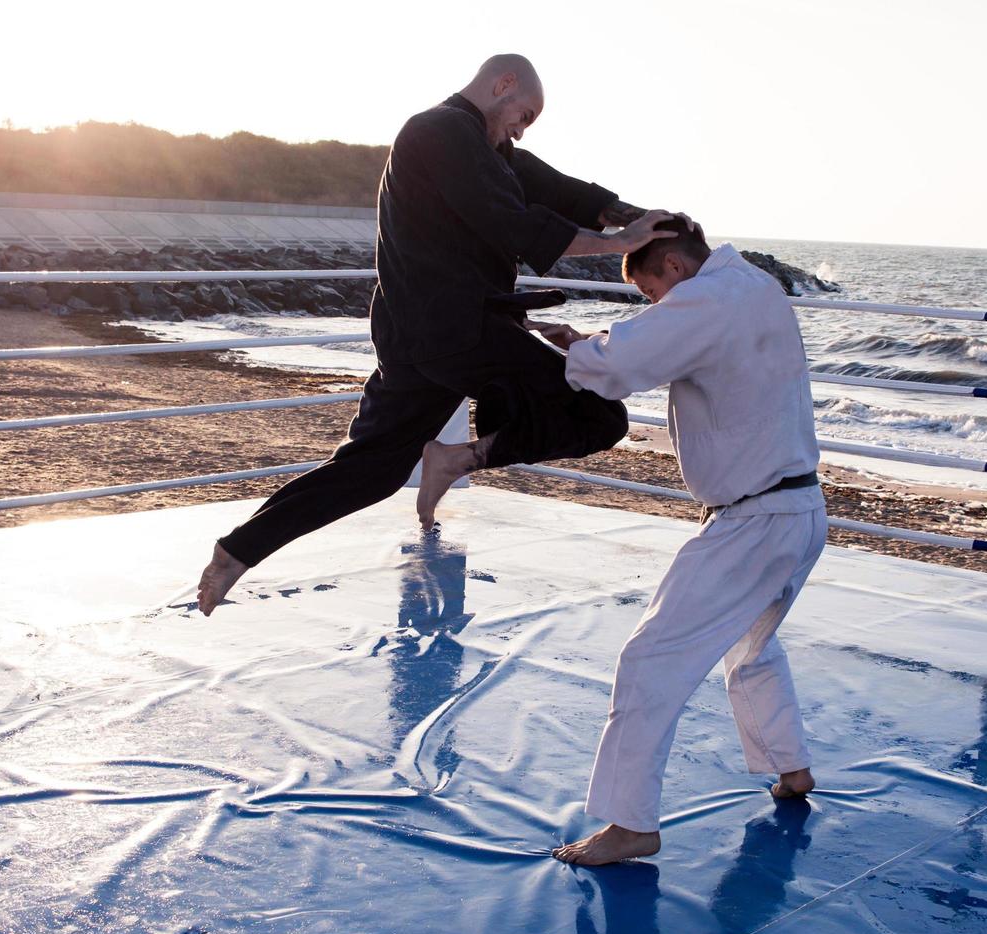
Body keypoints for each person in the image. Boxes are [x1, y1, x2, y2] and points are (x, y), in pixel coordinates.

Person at [195, 54, 683, 615]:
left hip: (420, 337)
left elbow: (559, 189)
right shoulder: (440, 132)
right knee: (600, 415)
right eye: (524, 114)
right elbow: (512, 223)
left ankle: (237, 551)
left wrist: (641, 217)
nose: (521, 129)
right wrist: (620, 245)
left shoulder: (484, 147)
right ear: (503, 85)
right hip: (455, 330)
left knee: (373, 470)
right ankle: (457, 459)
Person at [549, 220, 827, 866]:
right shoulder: (753, 285)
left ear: (673, 266)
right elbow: (659, 346)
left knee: (651, 658)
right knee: (751, 646)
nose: (656, 306)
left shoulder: (706, 299)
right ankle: (792, 768)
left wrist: (576, 352)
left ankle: (629, 824)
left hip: (752, 523)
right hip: (800, 509)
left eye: (651, 293)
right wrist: (587, 344)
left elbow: (625, 363)